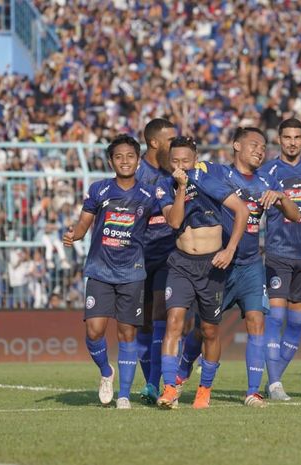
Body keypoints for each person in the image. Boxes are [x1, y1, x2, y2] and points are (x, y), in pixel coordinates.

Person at [176, 127, 301, 408]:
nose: (260, 150)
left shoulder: (267, 180)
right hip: (219, 265)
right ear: (235, 145)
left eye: (263, 146)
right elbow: (186, 166)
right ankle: (183, 369)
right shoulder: (217, 173)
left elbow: (296, 216)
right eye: (254, 144)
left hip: (251, 265)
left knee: (257, 321)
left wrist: (281, 198)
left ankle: (253, 392)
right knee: (204, 329)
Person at [62, 134, 157, 409]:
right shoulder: (99, 190)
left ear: (138, 161)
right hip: (100, 269)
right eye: (119, 156)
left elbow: (170, 220)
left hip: (132, 272)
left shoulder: (149, 194)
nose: (125, 161)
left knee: (127, 333)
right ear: (110, 161)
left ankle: (124, 395)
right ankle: (106, 371)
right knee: (94, 331)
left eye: (130, 156)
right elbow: (83, 224)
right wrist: (75, 235)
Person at [155, 136, 249, 409]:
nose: (180, 166)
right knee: (174, 322)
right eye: (174, 161)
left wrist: (230, 250)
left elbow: (241, 211)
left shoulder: (209, 180)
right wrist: (181, 188)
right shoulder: (164, 186)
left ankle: (204, 389)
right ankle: (170, 388)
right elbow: (174, 222)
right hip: (181, 263)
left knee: (209, 331)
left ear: (195, 160)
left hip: (212, 265)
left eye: (185, 161)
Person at [257, 118, 301, 400]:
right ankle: (274, 384)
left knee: (297, 323)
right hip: (277, 253)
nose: (292, 142)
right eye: (287, 137)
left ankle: (275, 379)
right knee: (276, 317)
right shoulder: (268, 170)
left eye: (297, 137)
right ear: (279, 140)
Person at [135, 118, 177, 403]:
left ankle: (156, 383)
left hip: (168, 255)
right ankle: (150, 380)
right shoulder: (136, 172)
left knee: (163, 313)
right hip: (137, 256)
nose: (175, 145)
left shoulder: (178, 172)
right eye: (170, 140)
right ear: (154, 143)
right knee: (142, 323)